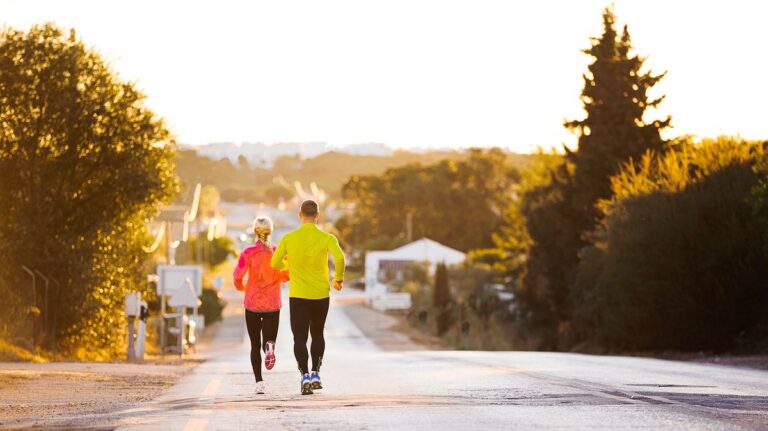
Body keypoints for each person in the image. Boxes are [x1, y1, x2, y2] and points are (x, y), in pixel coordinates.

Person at [271, 199, 345, 395]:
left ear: (299, 215)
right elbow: (339, 258)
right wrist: (338, 279)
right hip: (321, 294)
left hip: (298, 296)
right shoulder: (327, 238)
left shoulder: (288, 238)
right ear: (318, 216)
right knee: (318, 334)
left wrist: (290, 266)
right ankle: (316, 374)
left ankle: (304, 376)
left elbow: (275, 263)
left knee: (300, 338)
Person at [233, 215, 289, 395]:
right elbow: (287, 274)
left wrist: (243, 288)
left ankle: (259, 383)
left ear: (254, 232)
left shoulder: (247, 253)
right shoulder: (277, 252)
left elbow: (237, 275)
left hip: (252, 303)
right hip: (273, 303)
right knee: (268, 340)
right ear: (270, 231)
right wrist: (277, 277)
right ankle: (270, 347)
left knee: (254, 345)